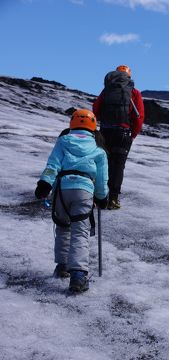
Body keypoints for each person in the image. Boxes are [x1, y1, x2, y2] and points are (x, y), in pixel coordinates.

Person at [34, 109, 108, 293]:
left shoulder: (63, 141)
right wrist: (102, 197)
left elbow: (53, 165)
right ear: (93, 126)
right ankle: (79, 276)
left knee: (63, 227)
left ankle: (62, 266)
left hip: (62, 190)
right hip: (84, 190)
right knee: (80, 232)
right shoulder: (99, 150)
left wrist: (45, 183)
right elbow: (101, 179)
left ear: (72, 124)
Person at [93, 65, 144, 210]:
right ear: (129, 76)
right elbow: (139, 117)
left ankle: (99, 196)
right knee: (118, 165)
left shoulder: (106, 91)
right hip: (123, 133)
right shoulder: (134, 92)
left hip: (105, 132)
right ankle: (113, 199)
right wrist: (132, 134)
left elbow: (95, 109)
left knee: (103, 163)